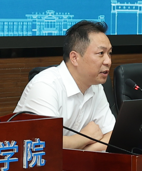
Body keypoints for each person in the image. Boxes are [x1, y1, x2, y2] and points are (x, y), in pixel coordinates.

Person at [14, 20, 114, 151]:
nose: (108, 61)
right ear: (74, 58)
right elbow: (45, 144)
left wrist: (83, 153)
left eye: (109, 53)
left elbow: (112, 136)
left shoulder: (96, 87)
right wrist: (84, 137)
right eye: (101, 53)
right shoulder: (45, 85)